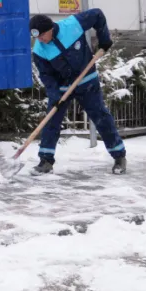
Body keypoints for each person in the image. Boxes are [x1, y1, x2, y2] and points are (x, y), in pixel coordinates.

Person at [29, 10, 126, 176]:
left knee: (100, 117)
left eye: (42, 35)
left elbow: (98, 15)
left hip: (87, 81)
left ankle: (119, 156)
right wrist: (55, 95)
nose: (40, 40)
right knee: (51, 121)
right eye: (36, 37)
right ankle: (45, 160)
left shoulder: (72, 25)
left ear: (50, 28)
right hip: (62, 88)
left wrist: (104, 40)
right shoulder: (39, 50)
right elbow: (46, 75)